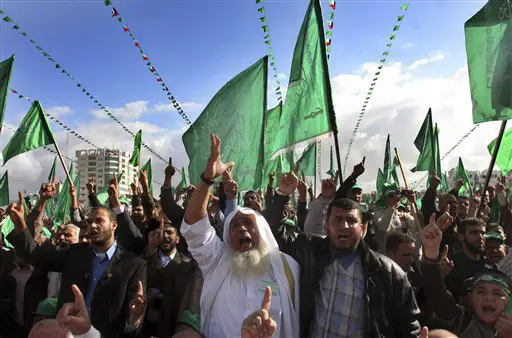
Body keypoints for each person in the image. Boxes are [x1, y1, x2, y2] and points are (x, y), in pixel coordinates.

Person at [267, 172, 421, 337]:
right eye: (337, 220)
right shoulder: (310, 252)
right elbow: (274, 232)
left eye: (351, 220)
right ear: (326, 227)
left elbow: (409, 327)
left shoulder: (389, 273)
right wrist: (282, 194)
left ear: (363, 229)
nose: (344, 226)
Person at [181, 134, 300, 338]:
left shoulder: (287, 268)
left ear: (261, 231)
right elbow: (194, 225)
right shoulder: (217, 260)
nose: (241, 229)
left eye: (248, 223)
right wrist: (207, 178)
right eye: (234, 225)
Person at [7, 190, 147, 338]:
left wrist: (135, 318)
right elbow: (36, 256)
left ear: (114, 225)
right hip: (67, 332)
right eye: (89, 222)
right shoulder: (74, 253)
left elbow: (132, 318)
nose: (92, 226)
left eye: (99, 221)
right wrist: (20, 225)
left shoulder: (134, 265)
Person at [420, 214, 512, 337]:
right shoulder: (462, 322)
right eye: (481, 292)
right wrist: (431, 254)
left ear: (508, 300)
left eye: (497, 293)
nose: (489, 298)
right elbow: (437, 292)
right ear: (470, 299)